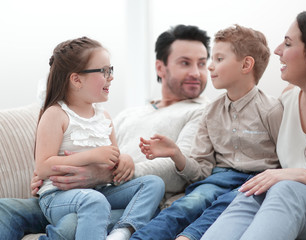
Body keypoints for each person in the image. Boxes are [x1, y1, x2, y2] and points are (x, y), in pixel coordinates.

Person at [0, 24, 210, 239]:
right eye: (185, 63)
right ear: (160, 67)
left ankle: (121, 231)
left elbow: (182, 169)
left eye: (203, 64)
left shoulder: (202, 113)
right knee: (4, 208)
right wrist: (48, 173)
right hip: (74, 192)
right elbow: (89, 154)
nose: (196, 72)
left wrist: (110, 172)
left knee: (81, 217)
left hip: (108, 191)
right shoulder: (129, 113)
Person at [130, 24, 283, 240]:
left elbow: (286, 162)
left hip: (257, 181)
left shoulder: (272, 110)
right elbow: (200, 172)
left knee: (230, 204)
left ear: (246, 64)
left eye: (218, 59)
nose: (210, 67)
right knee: (189, 203)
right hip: (217, 179)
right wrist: (176, 154)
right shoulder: (209, 112)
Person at [201, 9, 306, 240]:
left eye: (288, 44)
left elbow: (293, 180)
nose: (278, 50)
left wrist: (299, 175)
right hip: (292, 198)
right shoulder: (287, 100)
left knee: (285, 187)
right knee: (253, 189)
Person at [35, 36, 165, 240]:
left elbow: (112, 160)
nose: (111, 77)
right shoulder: (55, 114)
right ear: (77, 79)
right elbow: (43, 167)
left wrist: (124, 161)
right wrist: (91, 156)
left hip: (100, 191)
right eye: (104, 71)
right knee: (95, 201)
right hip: (58, 196)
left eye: (110, 70)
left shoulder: (104, 117)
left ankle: (122, 232)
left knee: (153, 184)